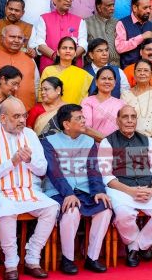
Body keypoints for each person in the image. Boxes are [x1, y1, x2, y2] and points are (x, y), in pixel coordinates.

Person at [0, 97, 58, 280]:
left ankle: (32, 257)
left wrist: (28, 161)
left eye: (24, 116)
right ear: (3, 118)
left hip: (28, 189)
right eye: (16, 116)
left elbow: (42, 169)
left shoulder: (30, 135)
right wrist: (11, 162)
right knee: (7, 209)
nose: (22, 120)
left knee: (52, 207)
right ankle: (11, 264)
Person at [96, 104, 152, 266]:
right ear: (117, 121)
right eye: (125, 117)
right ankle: (139, 246)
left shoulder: (148, 141)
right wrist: (130, 191)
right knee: (123, 214)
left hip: (148, 187)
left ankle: (137, 245)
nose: (129, 120)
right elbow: (106, 175)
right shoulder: (108, 142)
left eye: (133, 117)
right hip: (121, 188)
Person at [42, 104, 113, 274]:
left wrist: (98, 191)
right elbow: (54, 171)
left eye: (83, 117)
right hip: (59, 191)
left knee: (105, 209)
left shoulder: (89, 141)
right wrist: (68, 194)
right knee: (71, 210)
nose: (84, 121)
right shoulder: (48, 142)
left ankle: (92, 258)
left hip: (85, 190)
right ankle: (67, 259)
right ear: (66, 124)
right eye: (79, 118)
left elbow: (93, 169)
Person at [32, 0, 87, 71]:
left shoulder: (79, 20)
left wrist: (70, 58)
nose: (68, 0)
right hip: (50, 66)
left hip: (73, 66)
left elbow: (83, 44)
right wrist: (54, 56)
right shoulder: (44, 18)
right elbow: (39, 42)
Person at [0, 25, 37, 111]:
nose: (16, 40)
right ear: (2, 38)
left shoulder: (29, 57)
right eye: (12, 37)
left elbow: (36, 83)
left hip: (27, 110)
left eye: (20, 38)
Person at [41, 36, 92, 105]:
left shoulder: (83, 75)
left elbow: (84, 101)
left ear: (74, 53)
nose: (68, 51)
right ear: (58, 52)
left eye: (71, 48)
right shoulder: (48, 71)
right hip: (51, 112)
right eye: (64, 48)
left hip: (73, 112)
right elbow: (42, 96)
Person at [81, 66, 127, 140]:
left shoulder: (121, 104)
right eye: (103, 78)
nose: (107, 81)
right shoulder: (88, 102)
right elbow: (86, 128)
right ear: (96, 82)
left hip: (117, 147)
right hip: (94, 147)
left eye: (110, 79)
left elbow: (125, 127)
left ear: (115, 83)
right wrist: (107, 142)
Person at [115, 0, 152, 67]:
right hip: (128, 69)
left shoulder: (149, 24)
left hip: (146, 70)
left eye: (149, 7)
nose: (148, 11)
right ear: (135, 8)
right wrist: (141, 37)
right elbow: (119, 47)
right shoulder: (122, 23)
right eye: (145, 8)